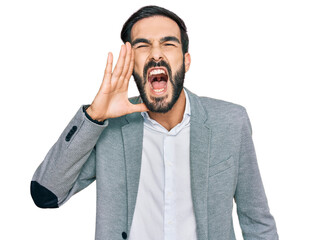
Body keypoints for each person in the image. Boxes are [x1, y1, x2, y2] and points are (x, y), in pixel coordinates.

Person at [30, 5, 279, 240]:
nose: (156, 53)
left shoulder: (231, 122)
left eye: (168, 43)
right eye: (142, 46)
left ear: (186, 61)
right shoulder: (109, 128)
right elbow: (46, 194)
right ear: (130, 65)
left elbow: (257, 222)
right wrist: (94, 115)